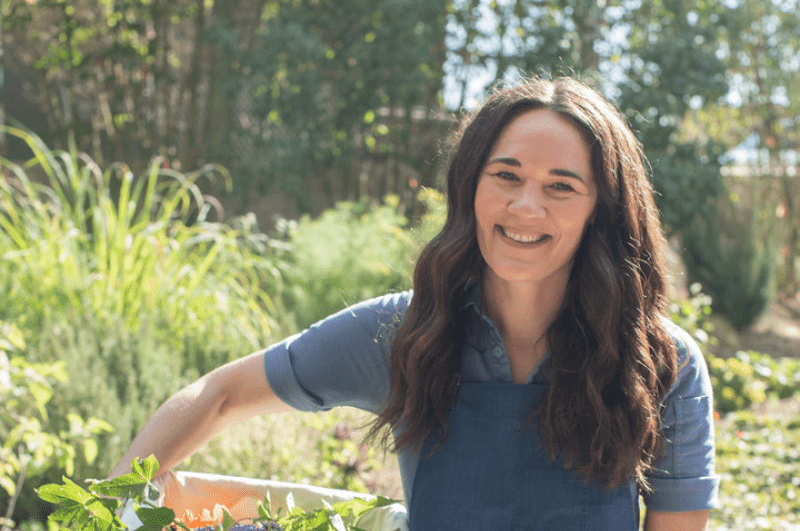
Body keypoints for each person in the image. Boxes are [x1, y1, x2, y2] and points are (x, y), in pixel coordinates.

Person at [109, 76, 719, 530]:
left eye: (561, 187)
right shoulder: (404, 332)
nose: (526, 207)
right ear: (470, 187)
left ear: (600, 211)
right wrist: (114, 505)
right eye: (505, 176)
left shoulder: (661, 362)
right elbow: (217, 396)